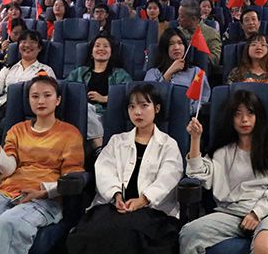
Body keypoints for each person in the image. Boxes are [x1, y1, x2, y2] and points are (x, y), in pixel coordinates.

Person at [0, 75, 85, 254]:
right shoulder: (17, 130)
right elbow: (9, 168)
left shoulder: (69, 133)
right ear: (28, 100)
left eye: (47, 95)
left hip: (44, 198)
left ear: (57, 100)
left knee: (5, 224)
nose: (41, 101)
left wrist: (44, 192)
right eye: (35, 96)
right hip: (7, 193)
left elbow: (71, 177)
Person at [66, 84, 183, 254]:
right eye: (132, 107)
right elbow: (104, 170)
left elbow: (169, 177)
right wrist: (116, 195)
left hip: (152, 212)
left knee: (127, 236)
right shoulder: (117, 141)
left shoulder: (168, 144)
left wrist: (143, 200)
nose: (137, 112)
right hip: (113, 206)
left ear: (156, 109)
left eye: (144, 105)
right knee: (90, 234)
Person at [180, 90, 268, 254]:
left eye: (250, 113)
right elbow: (198, 174)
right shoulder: (222, 152)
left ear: (258, 116)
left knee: (264, 245)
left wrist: (257, 212)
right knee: (189, 233)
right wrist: (195, 139)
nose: (244, 119)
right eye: (238, 114)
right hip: (233, 213)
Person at [66, 34, 132, 150]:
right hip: (81, 115)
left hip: (106, 115)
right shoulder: (79, 72)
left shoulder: (120, 74)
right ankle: (99, 145)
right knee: (86, 108)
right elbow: (65, 90)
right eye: (97, 46)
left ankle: (96, 146)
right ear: (91, 52)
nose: (101, 48)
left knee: (87, 109)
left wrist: (104, 98)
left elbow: (129, 96)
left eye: (106, 46)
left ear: (111, 52)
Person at [0, 30, 56, 109]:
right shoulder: (9, 68)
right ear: (18, 46)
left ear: (39, 48)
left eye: (32, 42)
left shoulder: (46, 70)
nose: (27, 45)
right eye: (23, 42)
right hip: (3, 107)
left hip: (29, 108)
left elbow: (50, 95)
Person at [145, 28, 210, 114]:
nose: (176, 47)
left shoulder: (196, 72)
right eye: (171, 44)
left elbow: (203, 99)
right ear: (165, 48)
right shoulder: (153, 73)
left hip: (187, 117)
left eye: (180, 43)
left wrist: (188, 111)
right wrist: (169, 73)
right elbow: (148, 98)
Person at [177, 0, 221, 66]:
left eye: (181, 16)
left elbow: (215, 59)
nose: (178, 19)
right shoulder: (177, 32)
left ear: (193, 19)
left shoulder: (212, 34)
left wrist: (198, 56)